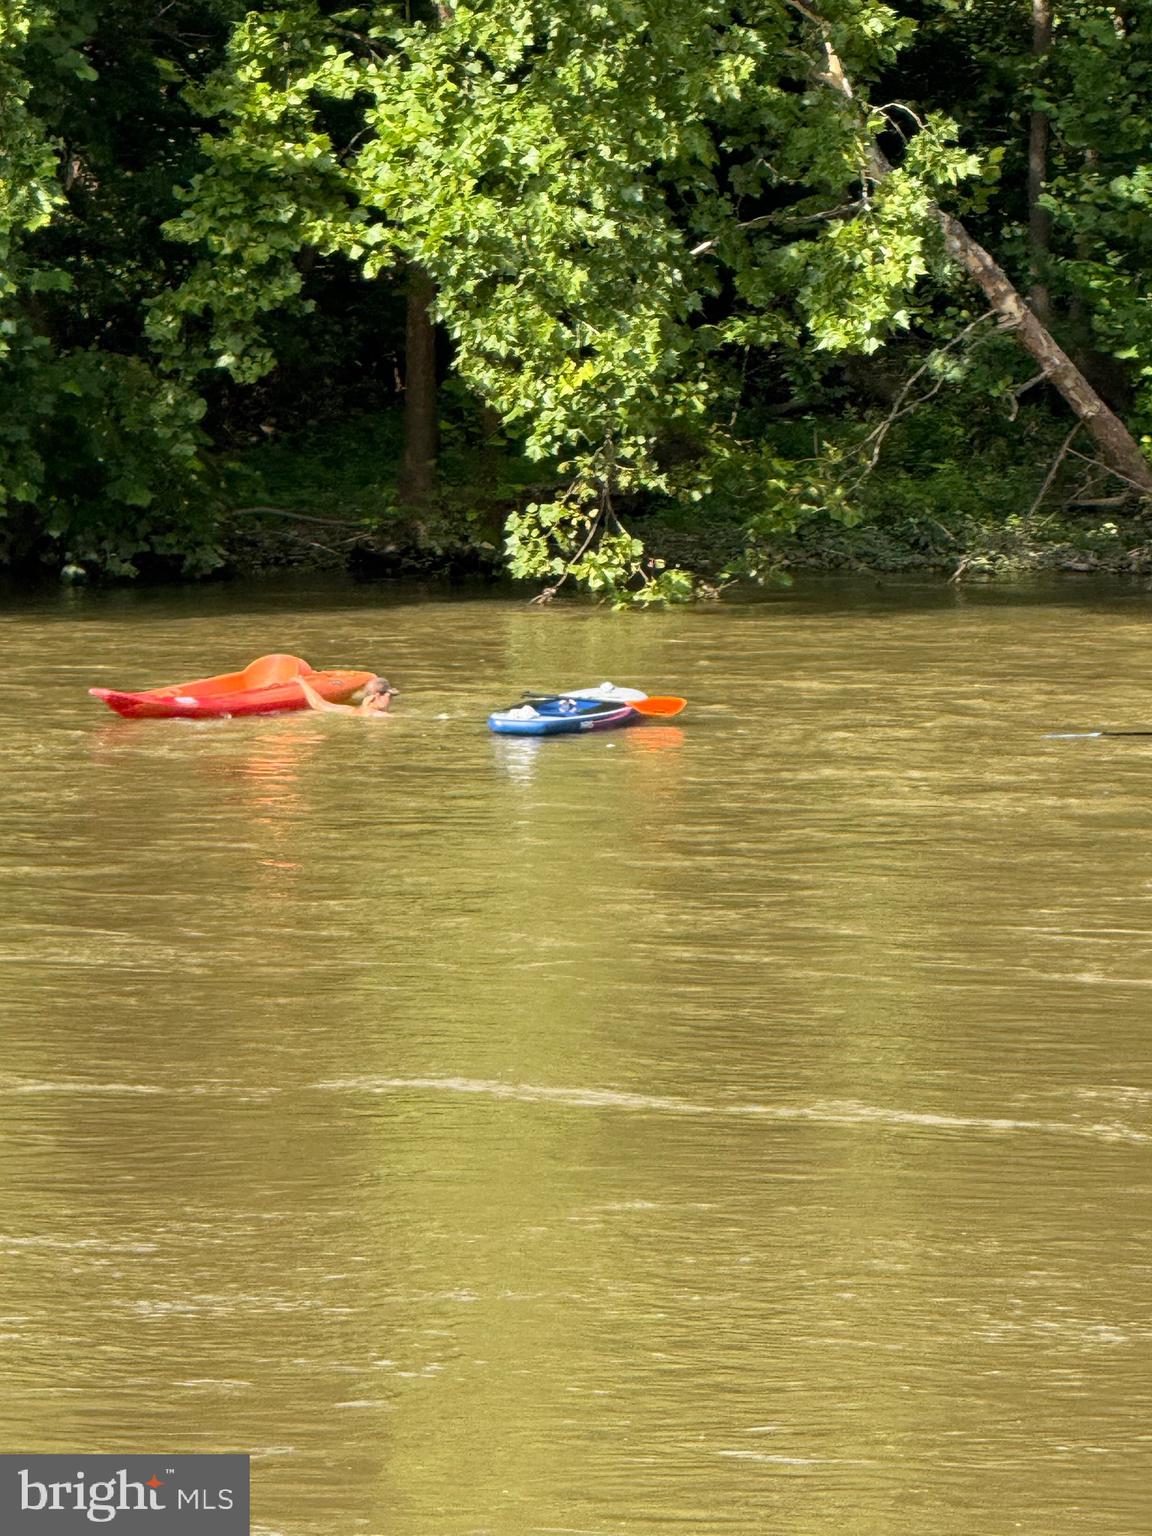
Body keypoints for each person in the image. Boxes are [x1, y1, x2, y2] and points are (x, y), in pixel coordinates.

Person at [295, 674, 397, 716]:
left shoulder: (350, 710)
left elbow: (319, 704)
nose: (391, 700)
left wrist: (301, 681)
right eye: (389, 696)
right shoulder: (378, 715)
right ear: (377, 696)